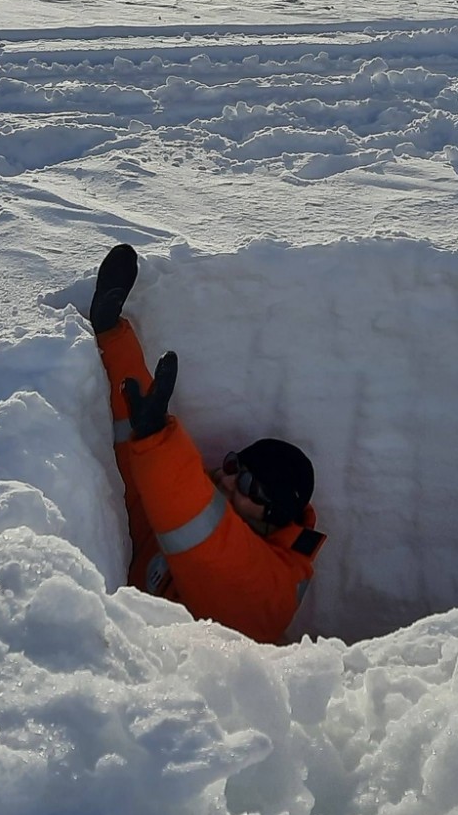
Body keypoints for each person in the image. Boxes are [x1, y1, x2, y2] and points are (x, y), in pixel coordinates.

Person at [87, 244, 324, 644]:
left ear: (274, 519)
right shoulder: (183, 498)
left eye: (250, 487)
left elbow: (211, 543)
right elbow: (136, 453)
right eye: (235, 466)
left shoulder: (274, 588)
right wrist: (112, 335)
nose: (229, 482)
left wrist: (159, 442)